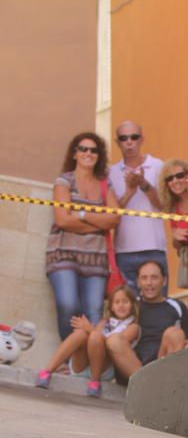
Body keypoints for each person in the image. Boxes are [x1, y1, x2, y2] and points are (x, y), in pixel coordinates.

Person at [47, 132, 122, 340]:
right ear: (74, 153)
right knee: (68, 304)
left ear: (99, 155)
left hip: (96, 258)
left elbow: (115, 219)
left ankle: (89, 362)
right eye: (83, 149)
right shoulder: (64, 181)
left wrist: (80, 214)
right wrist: (98, 223)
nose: (88, 153)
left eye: (93, 150)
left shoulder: (105, 184)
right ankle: (70, 357)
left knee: (94, 311)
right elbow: (62, 220)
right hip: (63, 255)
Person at [35, 285, 140, 398]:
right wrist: (87, 329)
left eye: (125, 301)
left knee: (94, 335)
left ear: (132, 305)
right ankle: (47, 371)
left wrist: (90, 329)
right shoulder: (104, 322)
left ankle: (94, 382)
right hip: (82, 365)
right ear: (111, 307)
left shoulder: (133, 327)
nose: (121, 305)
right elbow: (95, 339)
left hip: (103, 370)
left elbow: (113, 345)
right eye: (117, 302)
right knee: (81, 334)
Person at [106, 260, 188, 380]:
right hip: (133, 370)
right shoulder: (130, 306)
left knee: (175, 333)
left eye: (154, 278)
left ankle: (166, 386)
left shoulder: (177, 307)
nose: (149, 283)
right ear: (138, 282)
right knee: (114, 340)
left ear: (164, 280)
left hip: (163, 368)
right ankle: (144, 384)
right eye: (144, 278)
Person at [107, 121, 166, 291]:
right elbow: (112, 214)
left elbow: (163, 205)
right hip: (124, 251)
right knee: (129, 310)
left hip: (154, 248)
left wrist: (144, 184)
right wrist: (129, 193)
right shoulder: (111, 172)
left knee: (156, 307)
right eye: (123, 138)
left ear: (142, 140)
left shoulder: (157, 166)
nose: (129, 142)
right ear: (117, 142)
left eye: (134, 137)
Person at [159, 159, 188, 318]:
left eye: (179, 175)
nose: (175, 181)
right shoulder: (173, 209)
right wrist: (176, 238)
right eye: (169, 178)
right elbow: (177, 246)